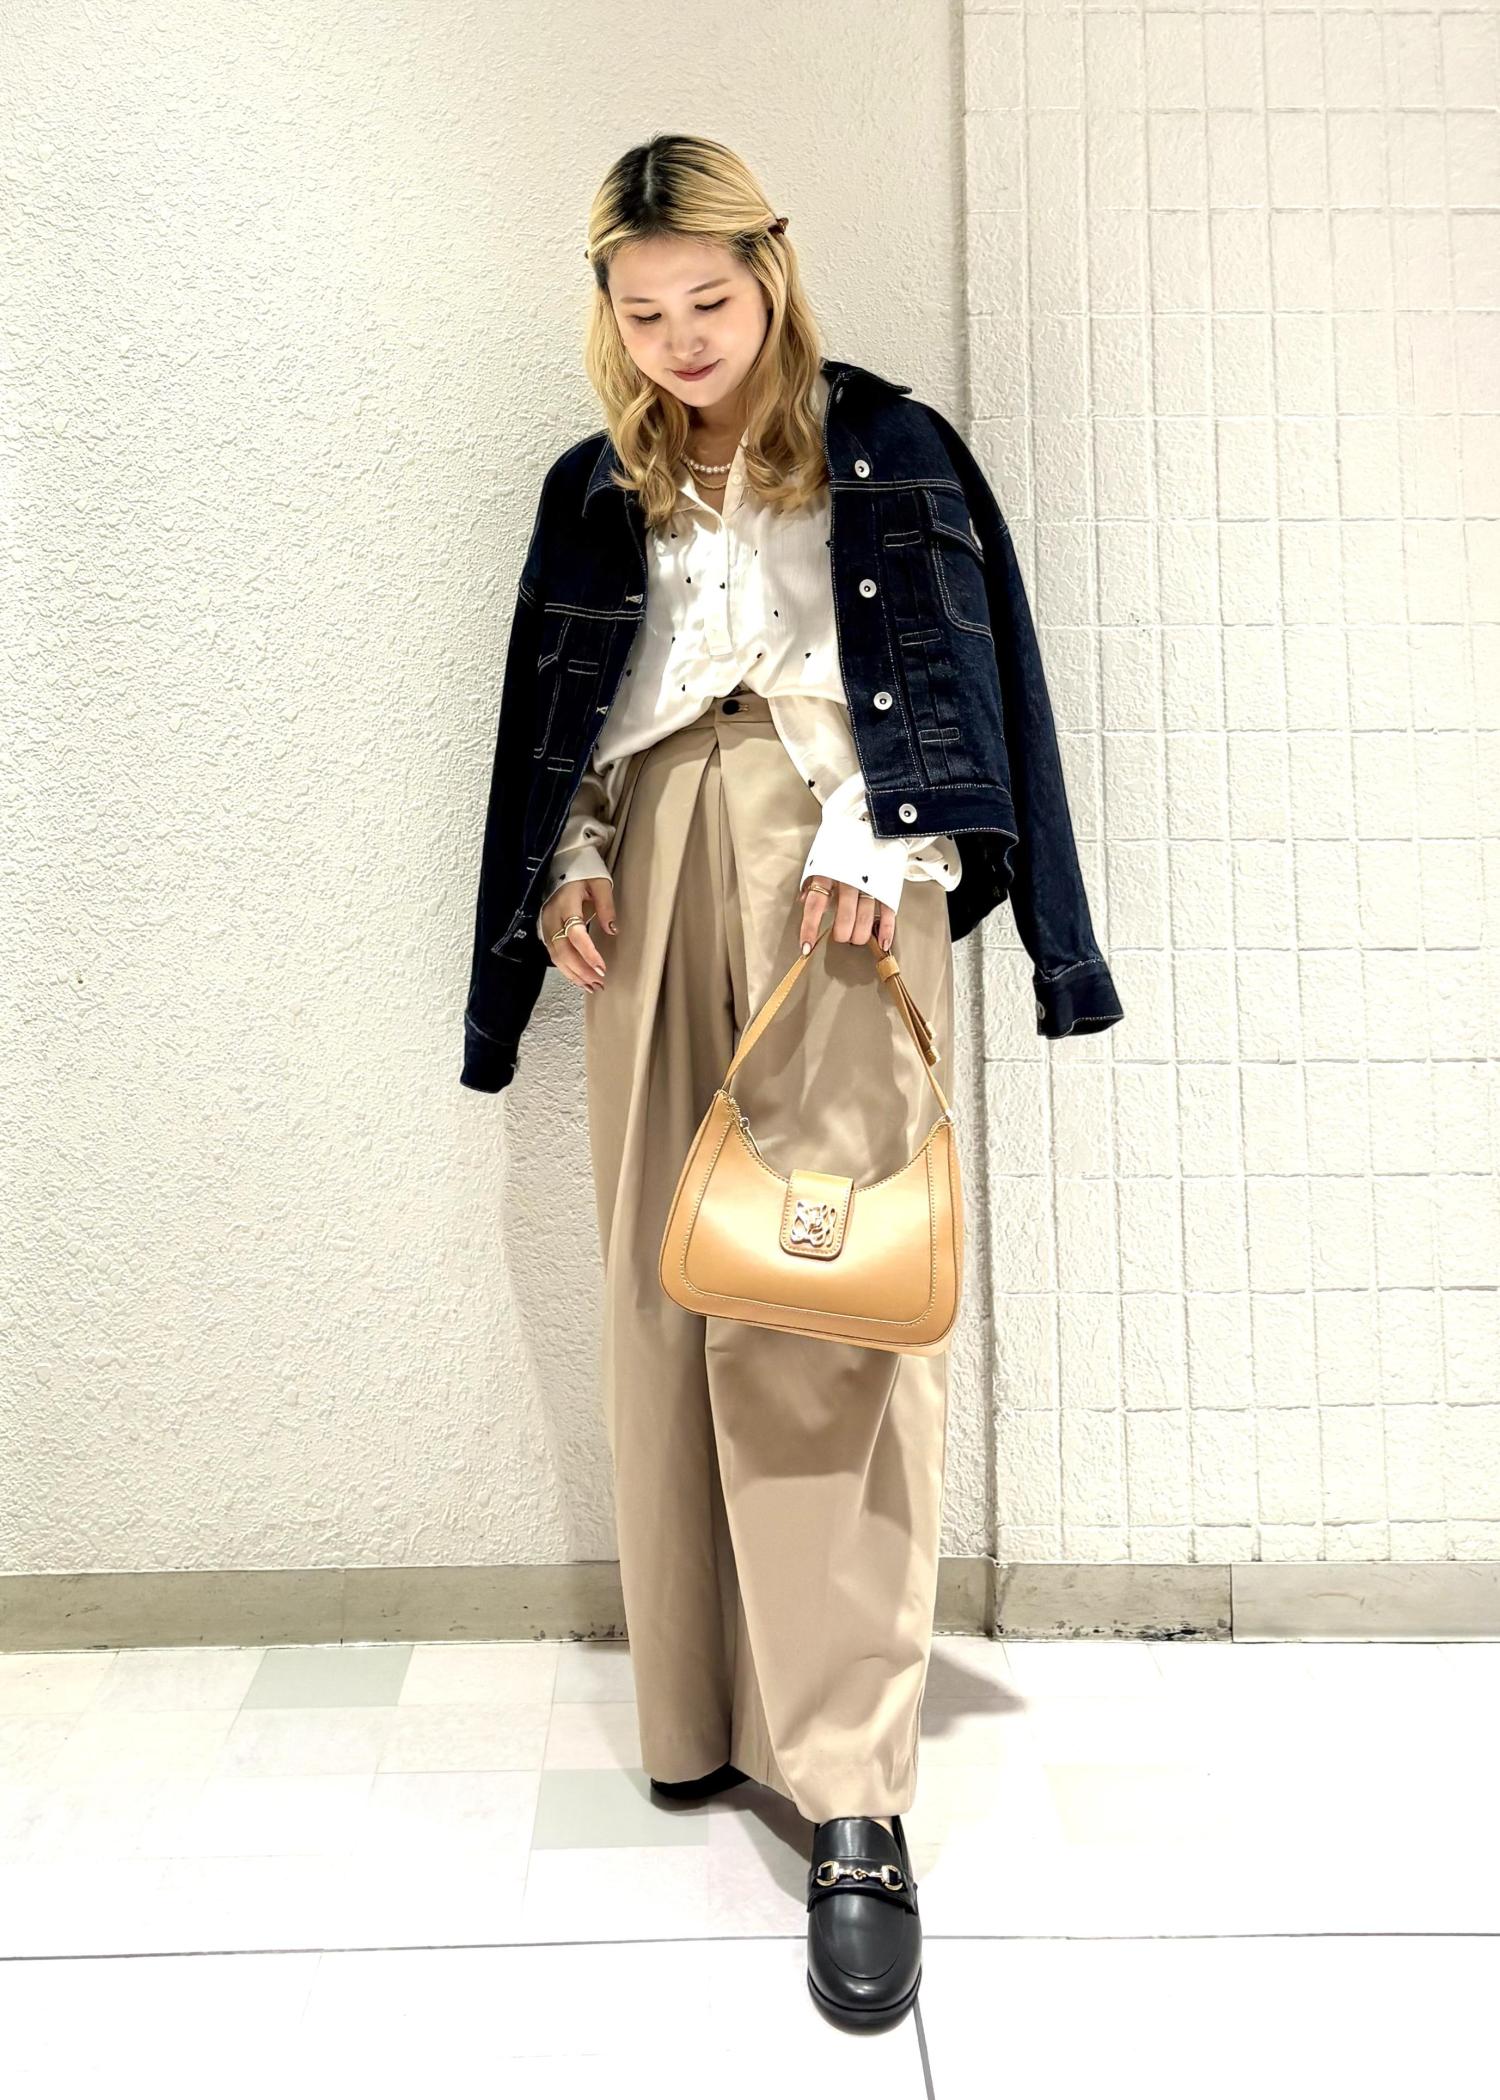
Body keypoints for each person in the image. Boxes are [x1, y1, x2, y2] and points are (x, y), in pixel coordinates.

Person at [463, 131, 1121, 2033]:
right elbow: (570, 718)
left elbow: (975, 682)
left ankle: (849, 1792)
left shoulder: (888, 447)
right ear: (607, 311)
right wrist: (567, 858)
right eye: (643, 308)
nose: (682, 337)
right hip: (655, 878)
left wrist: (882, 827)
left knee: (826, 1311)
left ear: (772, 271)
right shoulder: (594, 486)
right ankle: (700, 1709)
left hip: (844, 873)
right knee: (669, 1281)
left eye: (712, 297)